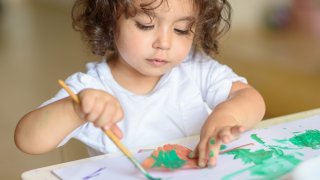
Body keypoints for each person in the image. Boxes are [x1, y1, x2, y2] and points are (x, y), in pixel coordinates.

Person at [14, 0, 265, 168]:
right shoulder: (91, 88)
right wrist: (74, 109)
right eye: (146, 25)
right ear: (109, 21)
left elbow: (251, 99)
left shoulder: (196, 69)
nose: (164, 43)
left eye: (181, 30)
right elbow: (28, 140)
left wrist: (226, 116)